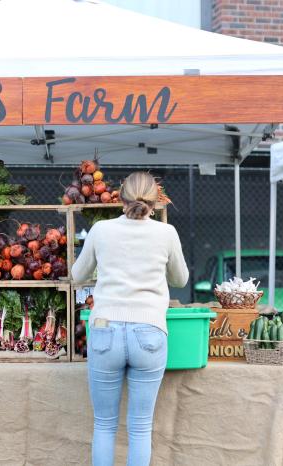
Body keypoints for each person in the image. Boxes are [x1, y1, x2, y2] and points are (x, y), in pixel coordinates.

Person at [71, 171, 189, 466]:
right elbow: (181, 279)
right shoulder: (167, 233)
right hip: (149, 330)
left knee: (104, 425)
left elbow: (76, 276)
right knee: (140, 428)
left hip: (104, 330)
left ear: (121, 196)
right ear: (155, 200)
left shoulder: (100, 230)